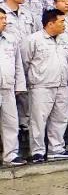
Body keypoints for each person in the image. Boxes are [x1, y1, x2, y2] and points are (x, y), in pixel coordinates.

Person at [24, 9, 68, 162]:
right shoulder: (33, 39)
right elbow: (25, 63)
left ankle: (56, 149)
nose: (64, 24)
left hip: (61, 85)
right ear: (50, 23)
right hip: (41, 86)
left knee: (60, 119)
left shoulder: (65, 38)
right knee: (38, 120)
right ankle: (37, 152)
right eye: (61, 21)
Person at [0, 9, 26, 166]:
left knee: (11, 122)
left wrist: (19, 85)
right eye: (1, 18)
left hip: (7, 87)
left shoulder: (10, 39)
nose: (5, 21)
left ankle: (10, 155)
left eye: (5, 18)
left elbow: (18, 64)